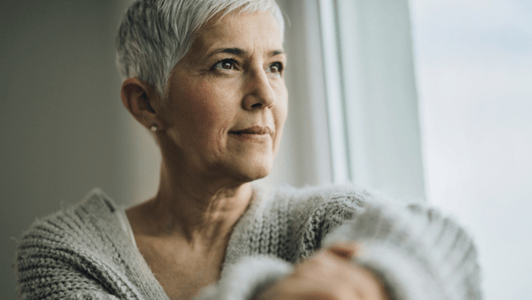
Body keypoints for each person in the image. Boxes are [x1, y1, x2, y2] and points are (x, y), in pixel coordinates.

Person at [15, 0, 481, 299]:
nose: (265, 93)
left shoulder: (323, 218)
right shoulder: (68, 252)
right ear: (146, 100)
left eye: (275, 66)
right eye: (227, 64)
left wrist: (373, 280)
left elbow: (439, 241)